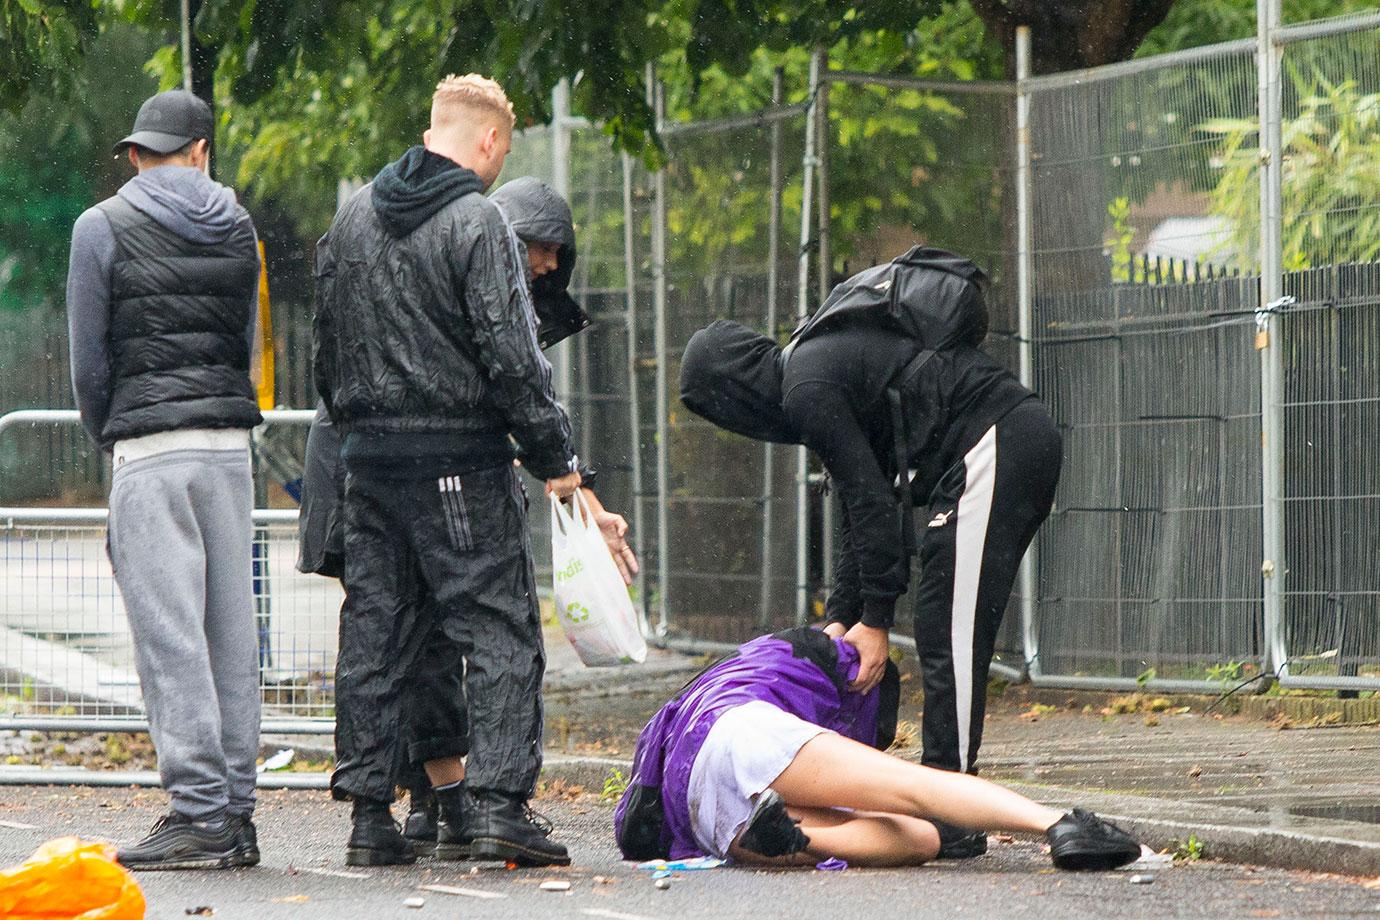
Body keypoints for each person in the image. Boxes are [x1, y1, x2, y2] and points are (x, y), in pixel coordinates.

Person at [679, 247, 1061, 858]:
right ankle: (946, 800)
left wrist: (876, 620)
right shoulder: (814, 370)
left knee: (949, 631)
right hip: (987, 453)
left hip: (1000, 442)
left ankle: (952, 807)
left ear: (737, 388)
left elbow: (873, 508)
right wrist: (843, 614)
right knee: (944, 622)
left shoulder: (807, 383)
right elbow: (865, 505)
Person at [297, 175, 638, 860]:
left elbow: (333, 358)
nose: (545, 265)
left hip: (365, 466)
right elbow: (510, 392)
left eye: (554, 254)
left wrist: (581, 495)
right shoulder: (474, 269)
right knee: (479, 632)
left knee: (391, 634)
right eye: (539, 248)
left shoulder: (390, 248)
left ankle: (404, 809)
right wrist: (556, 470)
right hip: (429, 473)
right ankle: (481, 805)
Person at [313, 74, 580, 868]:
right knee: (498, 626)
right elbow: (511, 354)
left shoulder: (351, 216)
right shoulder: (477, 223)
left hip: (369, 463)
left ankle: (369, 817)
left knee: (376, 632)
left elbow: (323, 349)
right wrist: (553, 454)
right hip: (459, 461)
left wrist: (364, 422)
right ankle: (498, 805)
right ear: (490, 140)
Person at [65, 89, 263, 870]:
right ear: (203, 151)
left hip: (150, 448)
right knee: (228, 632)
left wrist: (109, 437)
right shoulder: (240, 225)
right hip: (227, 447)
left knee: (170, 638)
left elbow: (89, 362)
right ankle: (236, 810)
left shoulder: (100, 226)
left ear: (145, 153)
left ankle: (197, 810)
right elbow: (243, 339)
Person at [615, 627, 1141, 870]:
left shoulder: (711, 683)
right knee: (912, 789)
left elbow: (636, 824)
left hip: (699, 808)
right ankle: (1059, 824)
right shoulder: (834, 667)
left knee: (919, 838)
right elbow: (875, 774)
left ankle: (799, 839)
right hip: (742, 735)